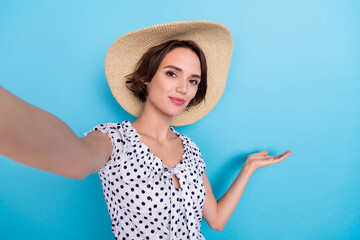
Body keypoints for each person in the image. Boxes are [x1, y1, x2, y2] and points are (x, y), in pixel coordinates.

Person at [0, 21, 292, 240]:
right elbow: (75, 159)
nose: (183, 88)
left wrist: (248, 168)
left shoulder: (191, 150)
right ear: (146, 78)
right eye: (171, 73)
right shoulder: (113, 140)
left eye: (193, 80)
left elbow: (215, 220)